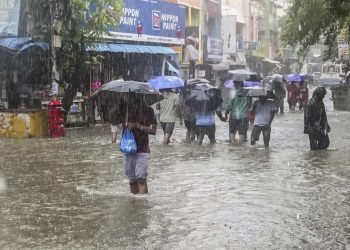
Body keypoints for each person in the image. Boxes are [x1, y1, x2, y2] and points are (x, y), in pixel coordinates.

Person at [122, 98, 157, 194]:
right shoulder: (125, 110)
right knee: (132, 181)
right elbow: (113, 118)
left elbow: (153, 131)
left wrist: (137, 126)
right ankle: (135, 204)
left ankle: (142, 205)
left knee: (141, 179)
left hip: (142, 148)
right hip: (128, 149)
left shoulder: (148, 110)